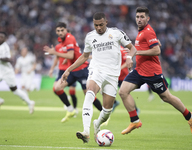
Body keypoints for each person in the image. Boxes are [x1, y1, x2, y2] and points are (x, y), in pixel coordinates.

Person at [61, 12, 137, 143]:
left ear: (106, 22)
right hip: (96, 70)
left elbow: (132, 48)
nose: (99, 28)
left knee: (107, 110)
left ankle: (97, 124)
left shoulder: (117, 33)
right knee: (89, 93)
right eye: (96, 25)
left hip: (113, 75)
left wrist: (129, 57)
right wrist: (68, 69)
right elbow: (84, 56)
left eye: (101, 25)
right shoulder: (90, 36)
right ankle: (86, 131)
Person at [119, 6, 192, 135]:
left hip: (152, 73)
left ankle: (189, 118)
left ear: (148, 18)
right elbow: (153, 45)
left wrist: (136, 52)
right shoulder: (141, 31)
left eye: (142, 17)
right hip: (139, 70)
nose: (139, 19)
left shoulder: (147, 31)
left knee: (167, 97)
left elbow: (157, 51)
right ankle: (135, 120)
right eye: (137, 17)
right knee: (123, 91)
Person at [43, 22, 102, 123]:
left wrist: (55, 53)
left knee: (88, 95)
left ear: (66, 30)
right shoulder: (60, 41)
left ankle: (103, 114)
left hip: (82, 69)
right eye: (58, 31)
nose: (60, 32)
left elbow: (70, 55)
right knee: (57, 88)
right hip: (72, 70)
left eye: (62, 30)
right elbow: (69, 55)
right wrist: (58, 63)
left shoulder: (70, 38)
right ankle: (70, 109)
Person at [0, 31, 35, 114]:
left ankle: (30, 102)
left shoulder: (6, 47)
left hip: (7, 72)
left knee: (15, 90)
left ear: (5, 39)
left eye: (1, 37)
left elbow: (8, 59)